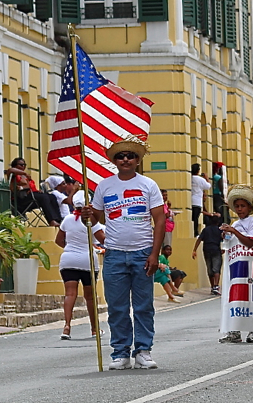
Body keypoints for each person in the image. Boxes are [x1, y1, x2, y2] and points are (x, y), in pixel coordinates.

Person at [82, 135, 166, 370]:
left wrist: (154, 253)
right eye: (121, 156)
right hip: (114, 253)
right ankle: (120, 352)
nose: (126, 159)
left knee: (143, 305)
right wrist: (85, 215)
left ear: (138, 160)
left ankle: (143, 350)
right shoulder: (104, 186)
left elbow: (159, 220)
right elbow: (94, 218)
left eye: (130, 156)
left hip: (142, 252)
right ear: (115, 161)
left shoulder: (148, 185)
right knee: (116, 306)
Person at [55, 190, 105, 340]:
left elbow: (58, 240)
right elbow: (102, 239)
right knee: (90, 297)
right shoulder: (91, 221)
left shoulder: (67, 219)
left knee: (70, 294)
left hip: (68, 259)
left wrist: (71, 249)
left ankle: (67, 327)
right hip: (87, 260)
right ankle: (94, 329)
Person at [217, 184, 253, 344]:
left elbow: (250, 242)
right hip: (236, 266)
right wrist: (227, 235)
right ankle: (234, 331)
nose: (240, 209)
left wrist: (234, 232)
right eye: (237, 206)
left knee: (251, 297)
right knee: (235, 297)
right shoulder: (235, 224)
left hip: (251, 266)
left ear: (249, 207)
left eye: (243, 206)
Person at [6, 158, 62, 226]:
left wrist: (38, 191)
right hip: (21, 200)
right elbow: (10, 170)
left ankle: (58, 220)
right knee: (43, 198)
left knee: (52, 197)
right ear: (15, 165)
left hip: (31, 197)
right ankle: (51, 221)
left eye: (24, 165)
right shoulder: (14, 175)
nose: (23, 166)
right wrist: (24, 173)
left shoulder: (26, 177)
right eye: (21, 165)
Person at [193, 215, 223, 295]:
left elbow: (199, 239)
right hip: (216, 249)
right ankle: (216, 286)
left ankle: (212, 286)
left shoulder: (206, 230)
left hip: (206, 249)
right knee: (216, 268)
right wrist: (224, 249)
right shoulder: (219, 230)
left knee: (209, 268)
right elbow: (224, 239)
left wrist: (194, 250)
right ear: (218, 222)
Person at [191, 163, 211, 237]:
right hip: (197, 201)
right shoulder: (200, 179)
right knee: (196, 218)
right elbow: (208, 186)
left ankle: (193, 231)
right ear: (198, 171)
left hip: (190, 201)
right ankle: (195, 232)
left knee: (192, 218)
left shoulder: (189, 178)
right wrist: (207, 178)